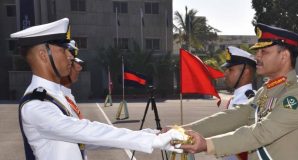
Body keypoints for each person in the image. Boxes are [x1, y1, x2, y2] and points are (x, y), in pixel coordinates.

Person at [12, 18, 184, 160]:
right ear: (43, 55)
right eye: (63, 50)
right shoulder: (37, 105)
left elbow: (86, 139)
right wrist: (152, 140)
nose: (71, 56)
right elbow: (86, 131)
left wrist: (153, 134)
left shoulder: (55, 96)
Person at [177, 23, 298, 160]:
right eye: (257, 51)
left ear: (284, 56)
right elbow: (232, 116)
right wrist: (180, 131)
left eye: (264, 51)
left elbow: (261, 133)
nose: (257, 56)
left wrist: (207, 144)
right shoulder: (266, 91)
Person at [221, 46, 256, 159]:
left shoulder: (250, 100)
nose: (225, 74)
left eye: (230, 70)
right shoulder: (233, 100)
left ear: (246, 72)